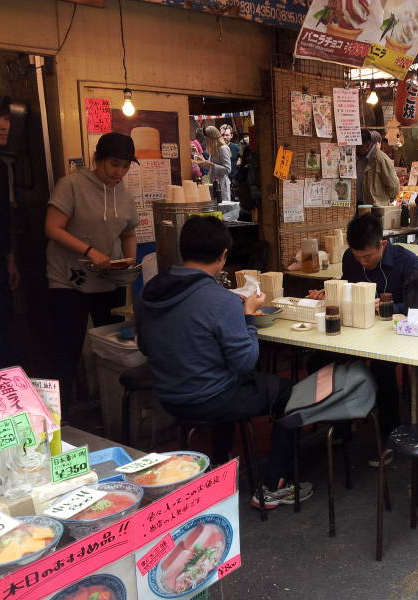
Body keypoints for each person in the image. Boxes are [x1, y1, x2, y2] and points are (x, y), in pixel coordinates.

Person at [136, 216, 312, 508]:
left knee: (221, 374)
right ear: (223, 256)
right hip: (210, 398)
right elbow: (246, 361)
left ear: (183, 250)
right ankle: (274, 485)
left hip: (168, 396)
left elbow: (145, 346)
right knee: (288, 391)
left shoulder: (150, 292)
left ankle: (220, 461)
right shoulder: (221, 300)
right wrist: (249, 316)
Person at [308, 214, 418, 460]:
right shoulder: (351, 258)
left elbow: (416, 305)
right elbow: (345, 284)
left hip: (393, 334)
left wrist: (389, 307)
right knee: (318, 362)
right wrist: (328, 293)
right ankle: (341, 424)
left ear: (382, 244)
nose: (362, 262)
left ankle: (390, 437)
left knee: (382, 369)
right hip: (355, 332)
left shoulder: (407, 262)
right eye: (357, 256)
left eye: (368, 256)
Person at [45, 132, 138, 405]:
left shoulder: (123, 193)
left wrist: (129, 265)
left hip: (109, 280)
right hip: (67, 278)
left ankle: (109, 407)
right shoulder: (71, 185)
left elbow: (129, 234)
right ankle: (59, 417)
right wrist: (89, 251)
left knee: (114, 347)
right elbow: (52, 228)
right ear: (97, 159)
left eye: (125, 166)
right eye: (113, 164)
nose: (119, 172)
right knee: (67, 348)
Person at [0, 95, 19, 369]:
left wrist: (10, 259)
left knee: (1, 333)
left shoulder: (0, 167)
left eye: (7, 119)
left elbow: (2, 216)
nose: (3, 126)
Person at [359, 130, 399, 206]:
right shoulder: (362, 158)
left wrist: (382, 201)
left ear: (367, 145)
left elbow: (394, 186)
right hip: (361, 207)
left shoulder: (381, 159)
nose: (356, 148)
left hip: (376, 208)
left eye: (359, 145)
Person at [195, 126, 231, 202]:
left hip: (221, 185)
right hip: (214, 184)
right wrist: (202, 160)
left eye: (207, 138)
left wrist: (211, 164)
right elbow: (209, 165)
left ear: (211, 137)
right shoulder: (214, 149)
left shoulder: (222, 148)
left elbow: (228, 169)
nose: (206, 140)